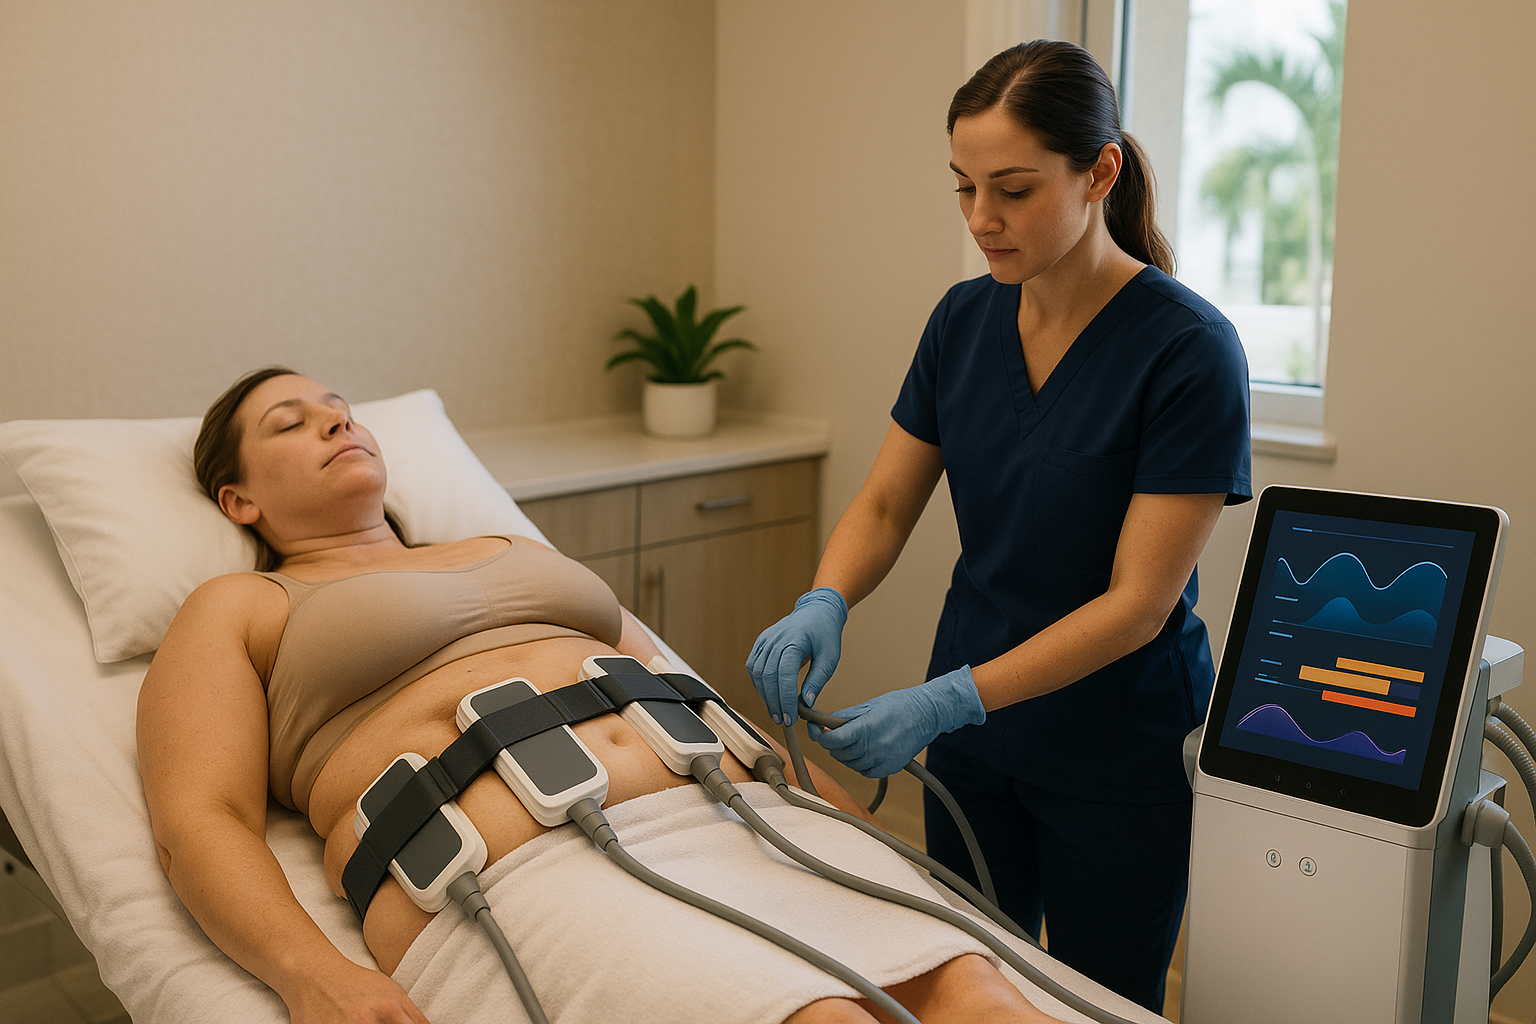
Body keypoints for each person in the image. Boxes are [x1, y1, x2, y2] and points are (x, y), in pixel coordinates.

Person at [136, 366, 1070, 1024]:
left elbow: (679, 686)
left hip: (740, 812)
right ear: (238, 502)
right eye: (290, 423)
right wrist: (314, 977)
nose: (336, 422)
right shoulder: (241, 605)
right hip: (523, 869)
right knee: (820, 1017)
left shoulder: (516, 554)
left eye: (340, 408)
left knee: (978, 992)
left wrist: (827, 812)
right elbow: (199, 819)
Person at [747, 40, 1251, 1013]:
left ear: (1099, 171)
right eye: (964, 188)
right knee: (977, 977)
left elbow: (1138, 605)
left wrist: (945, 702)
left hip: (1116, 747)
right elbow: (889, 501)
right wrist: (824, 598)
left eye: (1013, 190)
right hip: (978, 749)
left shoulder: (1189, 353)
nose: (983, 219)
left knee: (1098, 997)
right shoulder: (962, 321)